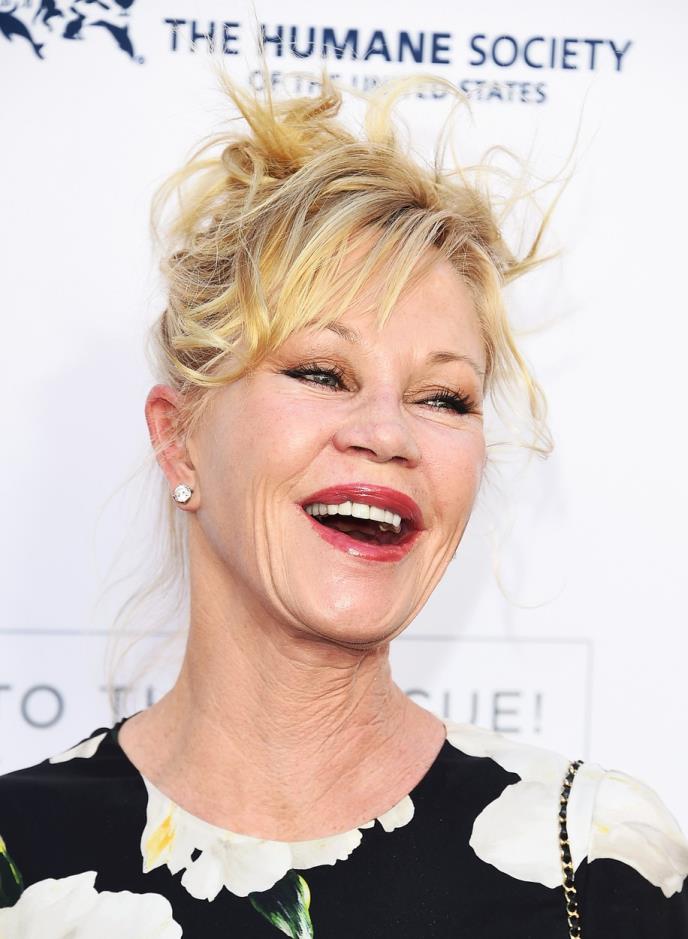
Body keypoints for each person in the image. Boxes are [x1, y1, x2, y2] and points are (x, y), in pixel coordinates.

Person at [1, 70, 686, 939]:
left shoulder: (592, 856)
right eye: (323, 373)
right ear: (179, 440)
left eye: (442, 397)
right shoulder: (17, 862)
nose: (387, 433)